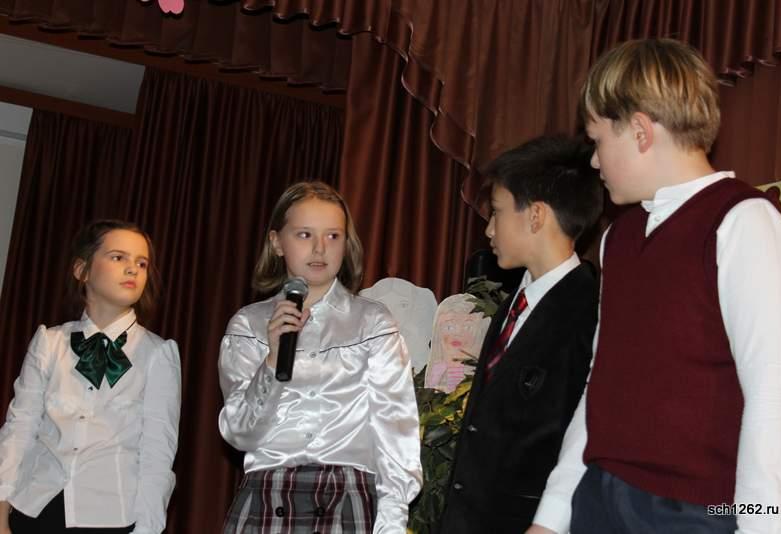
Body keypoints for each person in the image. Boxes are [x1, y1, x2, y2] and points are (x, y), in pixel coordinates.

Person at [529, 38, 781, 534]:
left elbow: (775, 393)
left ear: (639, 132)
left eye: (597, 141)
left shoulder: (743, 222)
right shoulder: (618, 238)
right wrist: (552, 514)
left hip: (697, 513)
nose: (594, 162)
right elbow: (600, 385)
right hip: (599, 500)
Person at [218, 181, 422, 534]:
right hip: (268, 494)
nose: (319, 248)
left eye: (333, 236)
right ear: (276, 242)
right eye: (304, 234)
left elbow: (395, 431)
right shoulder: (248, 324)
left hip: (346, 498)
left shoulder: (373, 321)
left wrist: (390, 524)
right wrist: (272, 361)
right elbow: (241, 434)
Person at [437, 135, 603, 533]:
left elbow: (578, 437)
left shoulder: (589, 312)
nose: (489, 229)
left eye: (496, 212)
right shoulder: (516, 301)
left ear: (536, 216)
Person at [0, 220, 182, 534]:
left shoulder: (157, 353)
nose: (132, 269)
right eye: (118, 257)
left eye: (142, 263)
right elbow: (20, 427)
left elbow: (158, 452)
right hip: (35, 509)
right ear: (82, 270)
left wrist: (147, 529)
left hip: (111, 516)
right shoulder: (50, 342)